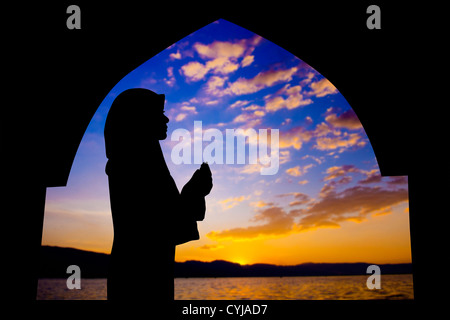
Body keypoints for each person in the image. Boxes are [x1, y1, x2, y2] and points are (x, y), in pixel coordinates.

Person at [104, 88, 212, 305]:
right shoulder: (135, 165)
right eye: (159, 112)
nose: (166, 118)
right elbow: (162, 225)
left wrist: (193, 192)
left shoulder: (134, 161)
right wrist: (194, 192)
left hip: (139, 272)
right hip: (140, 278)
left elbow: (163, 219)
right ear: (139, 118)